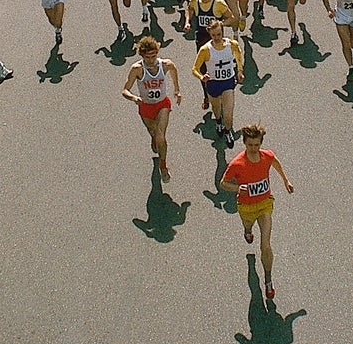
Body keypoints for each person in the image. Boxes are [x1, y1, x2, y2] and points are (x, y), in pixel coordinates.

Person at [219, 124, 294, 302]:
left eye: (256, 145)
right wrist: (238, 188)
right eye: (250, 145)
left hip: (264, 204)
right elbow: (223, 183)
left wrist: (286, 181)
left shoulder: (266, 156)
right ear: (244, 143)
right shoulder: (237, 163)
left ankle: (268, 280)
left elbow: (276, 163)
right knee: (248, 226)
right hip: (246, 207)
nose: (253, 149)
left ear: (261, 143)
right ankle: (247, 231)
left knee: (266, 244)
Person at [121, 36, 181, 180]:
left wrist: (177, 90)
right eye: (148, 57)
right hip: (146, 107)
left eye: (154, 56)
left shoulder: (164, 64)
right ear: (142, 55)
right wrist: (134, 98)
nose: (151, 60)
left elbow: (173, 69)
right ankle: (153, 139)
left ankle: (163, 165)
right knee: (153, 132)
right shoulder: (137, 69)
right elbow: (125, 90)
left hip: (162, 104)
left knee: (161, 136)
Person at [192, 17, 245, 148]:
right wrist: (201, 77)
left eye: (219, 34)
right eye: (214, 35)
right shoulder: (205, 50)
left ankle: (227, 131)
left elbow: (238, 57)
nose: (216, 37)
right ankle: (218, 122)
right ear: (210, 34)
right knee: (216, 109)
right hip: (213, 84)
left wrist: (239, 71)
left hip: (228, 83)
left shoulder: (232, 45)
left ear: (223, 32)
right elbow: (194, 68)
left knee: (228, 114)